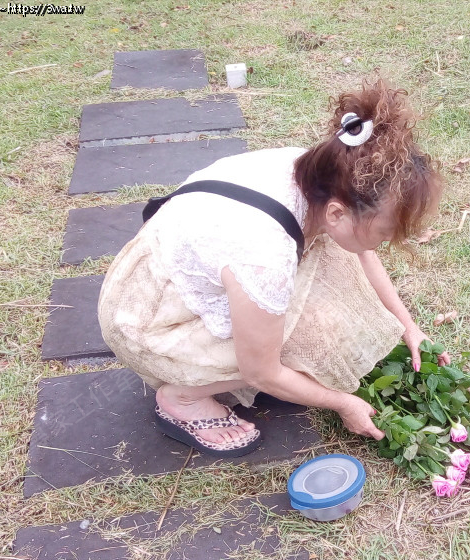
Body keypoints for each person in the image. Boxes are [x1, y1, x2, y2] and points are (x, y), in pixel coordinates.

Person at [97, 79, 451, 458]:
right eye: (383, 234)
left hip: (173, 265)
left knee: (332, 287)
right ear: (337, 213)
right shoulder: (265, 256)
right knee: (296, 342)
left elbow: (363, 255)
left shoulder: (328, 172)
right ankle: (183, 397)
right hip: (145, 317)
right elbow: (260, 372)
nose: (382, 244)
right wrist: (343, 403)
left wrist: (408, 327)